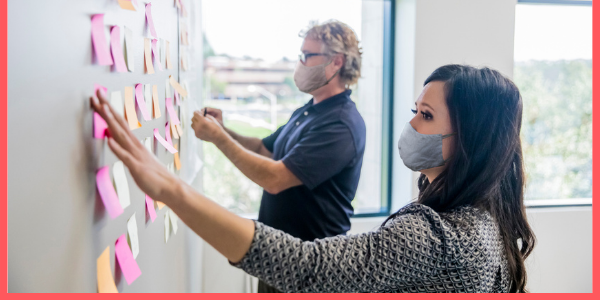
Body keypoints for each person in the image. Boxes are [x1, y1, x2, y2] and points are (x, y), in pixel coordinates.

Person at [90, 64, 536, 293]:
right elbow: (268, 147)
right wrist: (224, 133)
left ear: (469, 140)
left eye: (426, 115)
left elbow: (307, 263)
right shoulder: (483, 216)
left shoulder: (437, 234)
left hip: (303, 247)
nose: (412, 126)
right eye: (413, 111)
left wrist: (172, 190)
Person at [191, 21, 366, 292]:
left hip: (311, 268)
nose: (300, 63)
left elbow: (275, 178)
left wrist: (217, 137)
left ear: (336, 62)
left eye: (308, 56)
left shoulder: (340, 124)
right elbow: (265, 150)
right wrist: (223, 129)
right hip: (280, 258)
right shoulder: (309, 110)